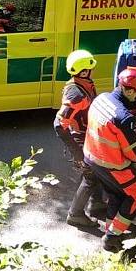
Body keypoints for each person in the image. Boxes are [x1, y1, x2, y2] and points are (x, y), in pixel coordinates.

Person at [82, 68, 136, 251]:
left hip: (92, 157)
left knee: (117, 193)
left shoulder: (101, 98)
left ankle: (111, 228)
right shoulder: (123, 118)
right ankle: (112, 237)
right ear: (128, 90)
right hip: (112, 164)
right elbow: (133, 153)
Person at [56, 50, 105, 227]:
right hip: (79, 140)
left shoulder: (82, 84)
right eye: (90, 68)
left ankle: (97, 203)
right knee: (90, 176)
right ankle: (75, 214)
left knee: (97, 171)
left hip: (86, 137)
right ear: (84, 71)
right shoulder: (76, 96)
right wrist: (76, 152)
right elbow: (59, 124)